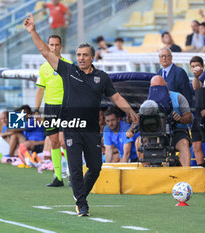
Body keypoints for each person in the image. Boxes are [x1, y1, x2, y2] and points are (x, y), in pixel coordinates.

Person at [24, 13, 138, 217]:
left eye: (85, 55)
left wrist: (130, 111)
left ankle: (80, 196)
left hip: (92, 129)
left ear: (92, 57)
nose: (81, 58)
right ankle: (82, 204)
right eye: (78, 55)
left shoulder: (101, 77)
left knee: (95, 167)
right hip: (71, 128)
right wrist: (32, 31)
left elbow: (116, 97)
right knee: (75, 168)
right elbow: (44, 51)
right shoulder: (68, 70)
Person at [35, 34, 71, 187]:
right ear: (48, 46)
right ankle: (58, 177)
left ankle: (72, 176)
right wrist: (36, 110)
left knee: (65, 142)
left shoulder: (68, 65)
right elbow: (40, 90)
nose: (54, 48)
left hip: (66, 107)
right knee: (54, 142)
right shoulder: (44, 68)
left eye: (57, 45)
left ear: (60, 46)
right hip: (50, 108)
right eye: (51, 45)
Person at [146, 75, 193, 167]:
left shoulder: (178, 97)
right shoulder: (148, 101)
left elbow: (189, 117)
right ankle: (147, 172)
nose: (157, 90)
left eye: (160, 87)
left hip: (176, 131)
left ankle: (186, 173)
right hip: (154, 132)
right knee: (139, 142)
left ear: (166, 85)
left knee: (184, 143)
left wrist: (180, 119)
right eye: (154, 87)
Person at [190, 56, 205, 180]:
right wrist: (195, 76)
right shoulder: (199, 79)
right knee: (196, 145)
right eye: (193, 66)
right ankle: (201, 171)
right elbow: (196, 88)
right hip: (197, 115)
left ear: (203, 66)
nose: (196, 68)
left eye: (197, 66)